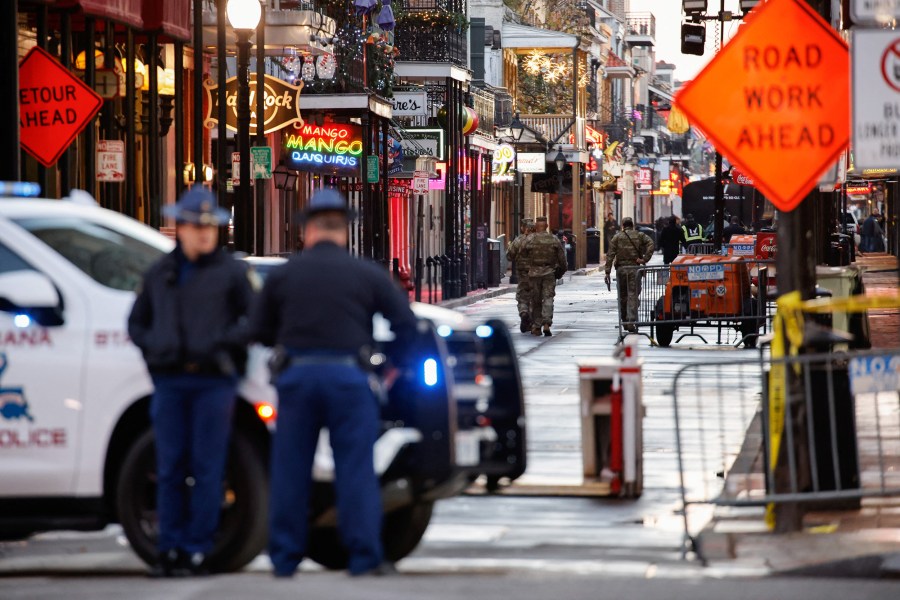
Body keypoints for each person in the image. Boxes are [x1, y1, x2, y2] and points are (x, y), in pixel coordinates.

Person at [250, 188, 417, 578]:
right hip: (349, 378)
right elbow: (406, 324)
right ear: (344, 231)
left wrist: (285, 341)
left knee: (291, 468)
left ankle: (285, 557)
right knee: (355, 468)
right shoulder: (366, 274)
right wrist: (384, 363)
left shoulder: (284, 275)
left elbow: (257, 330)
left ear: (306, 230)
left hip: (297, 377)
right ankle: (363, 556)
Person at [127, 186, 255, 577]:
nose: (204, 233)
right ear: (179, 228)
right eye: (196, 226)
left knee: (207, 467)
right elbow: (137, 323)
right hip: (170, 381)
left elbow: (253, 321)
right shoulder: (160, 272)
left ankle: (198, 547)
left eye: (210, 226)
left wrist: (221, 345)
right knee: (169, 466)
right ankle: (170, 549)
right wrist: (157, 350)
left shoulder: (232, 272)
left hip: (214, 382)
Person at [605, 217, 655, 333]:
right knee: (632, 294)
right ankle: (631, 320)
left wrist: (607, 271)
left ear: (623, 225)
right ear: (632, 225)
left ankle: (624, 320)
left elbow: (610, 255)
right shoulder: (639, 235)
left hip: (621, 270)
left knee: (622, 296)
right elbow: (651, 244)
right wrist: (644, 259)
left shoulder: (617, 237)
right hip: (634, 269)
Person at [524, 216, 567, 336]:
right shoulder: (553, 239)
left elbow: (522, 255)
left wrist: (526, 269)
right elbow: (562, 260)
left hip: (534, 273)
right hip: (549, 272)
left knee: (536, 300)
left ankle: (536, 326)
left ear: (536, 227)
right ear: (547, 226)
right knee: (548, 298)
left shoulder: (530, 239)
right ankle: (546, 323)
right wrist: (560, 272)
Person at [507, 218, 536, 332]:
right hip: (538, 274)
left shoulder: (518, 240)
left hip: (523, 274)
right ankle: (534, 321)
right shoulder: (539, 240)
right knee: (536, 298)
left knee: (522, 297)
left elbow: (509, 256)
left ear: (523, 228)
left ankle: (524, 312)